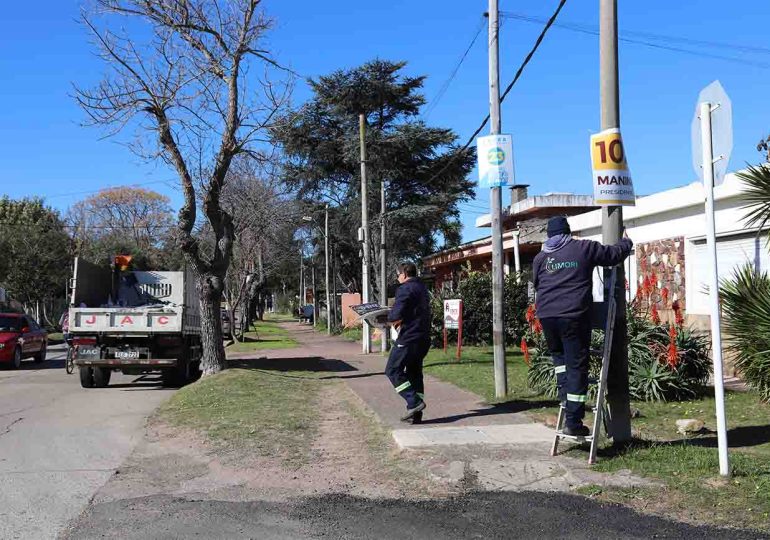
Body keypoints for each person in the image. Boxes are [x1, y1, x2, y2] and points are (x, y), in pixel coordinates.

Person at [533, 216, 633, 437]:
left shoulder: (541, 257)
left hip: (547, 316)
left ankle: (564, 400)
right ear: (568, 232)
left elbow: (537, 284)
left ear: (549, 236)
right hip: (573, 316)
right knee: (577, 366)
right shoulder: (583, 248)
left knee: (560, 361)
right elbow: (612, 255)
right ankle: (573, 421)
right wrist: (626, 242)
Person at [386, 262, 431, 424]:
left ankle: (414, 402)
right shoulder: (423, 288)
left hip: (409, 337)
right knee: (414, 373)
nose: (397, 278)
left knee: (392, 370)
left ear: (404, 274)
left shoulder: (405, 289)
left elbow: (395, 314)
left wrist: (386, 318)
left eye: (398, 275)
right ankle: (416, 414)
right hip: (423, 338)